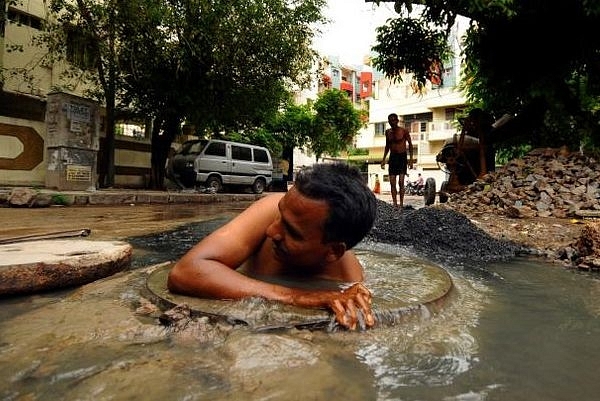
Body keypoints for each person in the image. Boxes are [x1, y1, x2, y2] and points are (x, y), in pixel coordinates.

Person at [167, 162, 378, 330]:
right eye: (280, 215)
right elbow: (185, 271)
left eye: (292, 232)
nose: (271, 232)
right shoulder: (268, 209)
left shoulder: (347, 280)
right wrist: (295, 296)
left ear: (333, 251)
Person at [380, 113, 413, 208]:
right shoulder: (388, 132)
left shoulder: (404, 131)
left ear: (397, 121)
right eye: (390, 121)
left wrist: (410, 160)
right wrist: (383, 159)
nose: (392, 122)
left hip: (402, 157)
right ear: (389, 122)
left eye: (394, 120)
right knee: (392, 182)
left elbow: (410, 145)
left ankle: (401, 204)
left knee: (401, 182)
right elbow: (387, 146)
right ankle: (395, 204)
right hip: (393, 157)